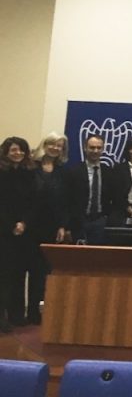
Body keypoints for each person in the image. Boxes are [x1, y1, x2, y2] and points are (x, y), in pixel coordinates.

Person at [28, 133, 68, 325]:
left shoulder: (62, 172)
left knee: (45, 271)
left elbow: (64, 202)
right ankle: (24, 312)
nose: (55, 148)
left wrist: (62, 225)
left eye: (59, 146)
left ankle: (40, 311)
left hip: (51, 227)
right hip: (29, 226)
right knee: (27, 269)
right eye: (52, 144)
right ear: (44, 144)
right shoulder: (31, 167)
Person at [0, 137, 37, 330]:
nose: (18, 153)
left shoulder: (28, 173)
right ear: (5, 152)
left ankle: (16, 315)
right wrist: (11, 225)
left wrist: (23, 223)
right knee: (3, 275)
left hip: (24, 232)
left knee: (18, 274)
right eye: (14, 150)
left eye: (21, 150)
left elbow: (32, 202)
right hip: (4, 231)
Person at [65, 133, 114, 244]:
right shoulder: (74, 172)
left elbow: (113, 197)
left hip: (101, 221)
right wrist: (67, 226)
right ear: (85, 148)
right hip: (79, 221)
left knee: (98, 253)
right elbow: (67, 200)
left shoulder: (109, 172)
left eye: (99, 148)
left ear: (103, 149)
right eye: (92, 147)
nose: (95, 151)